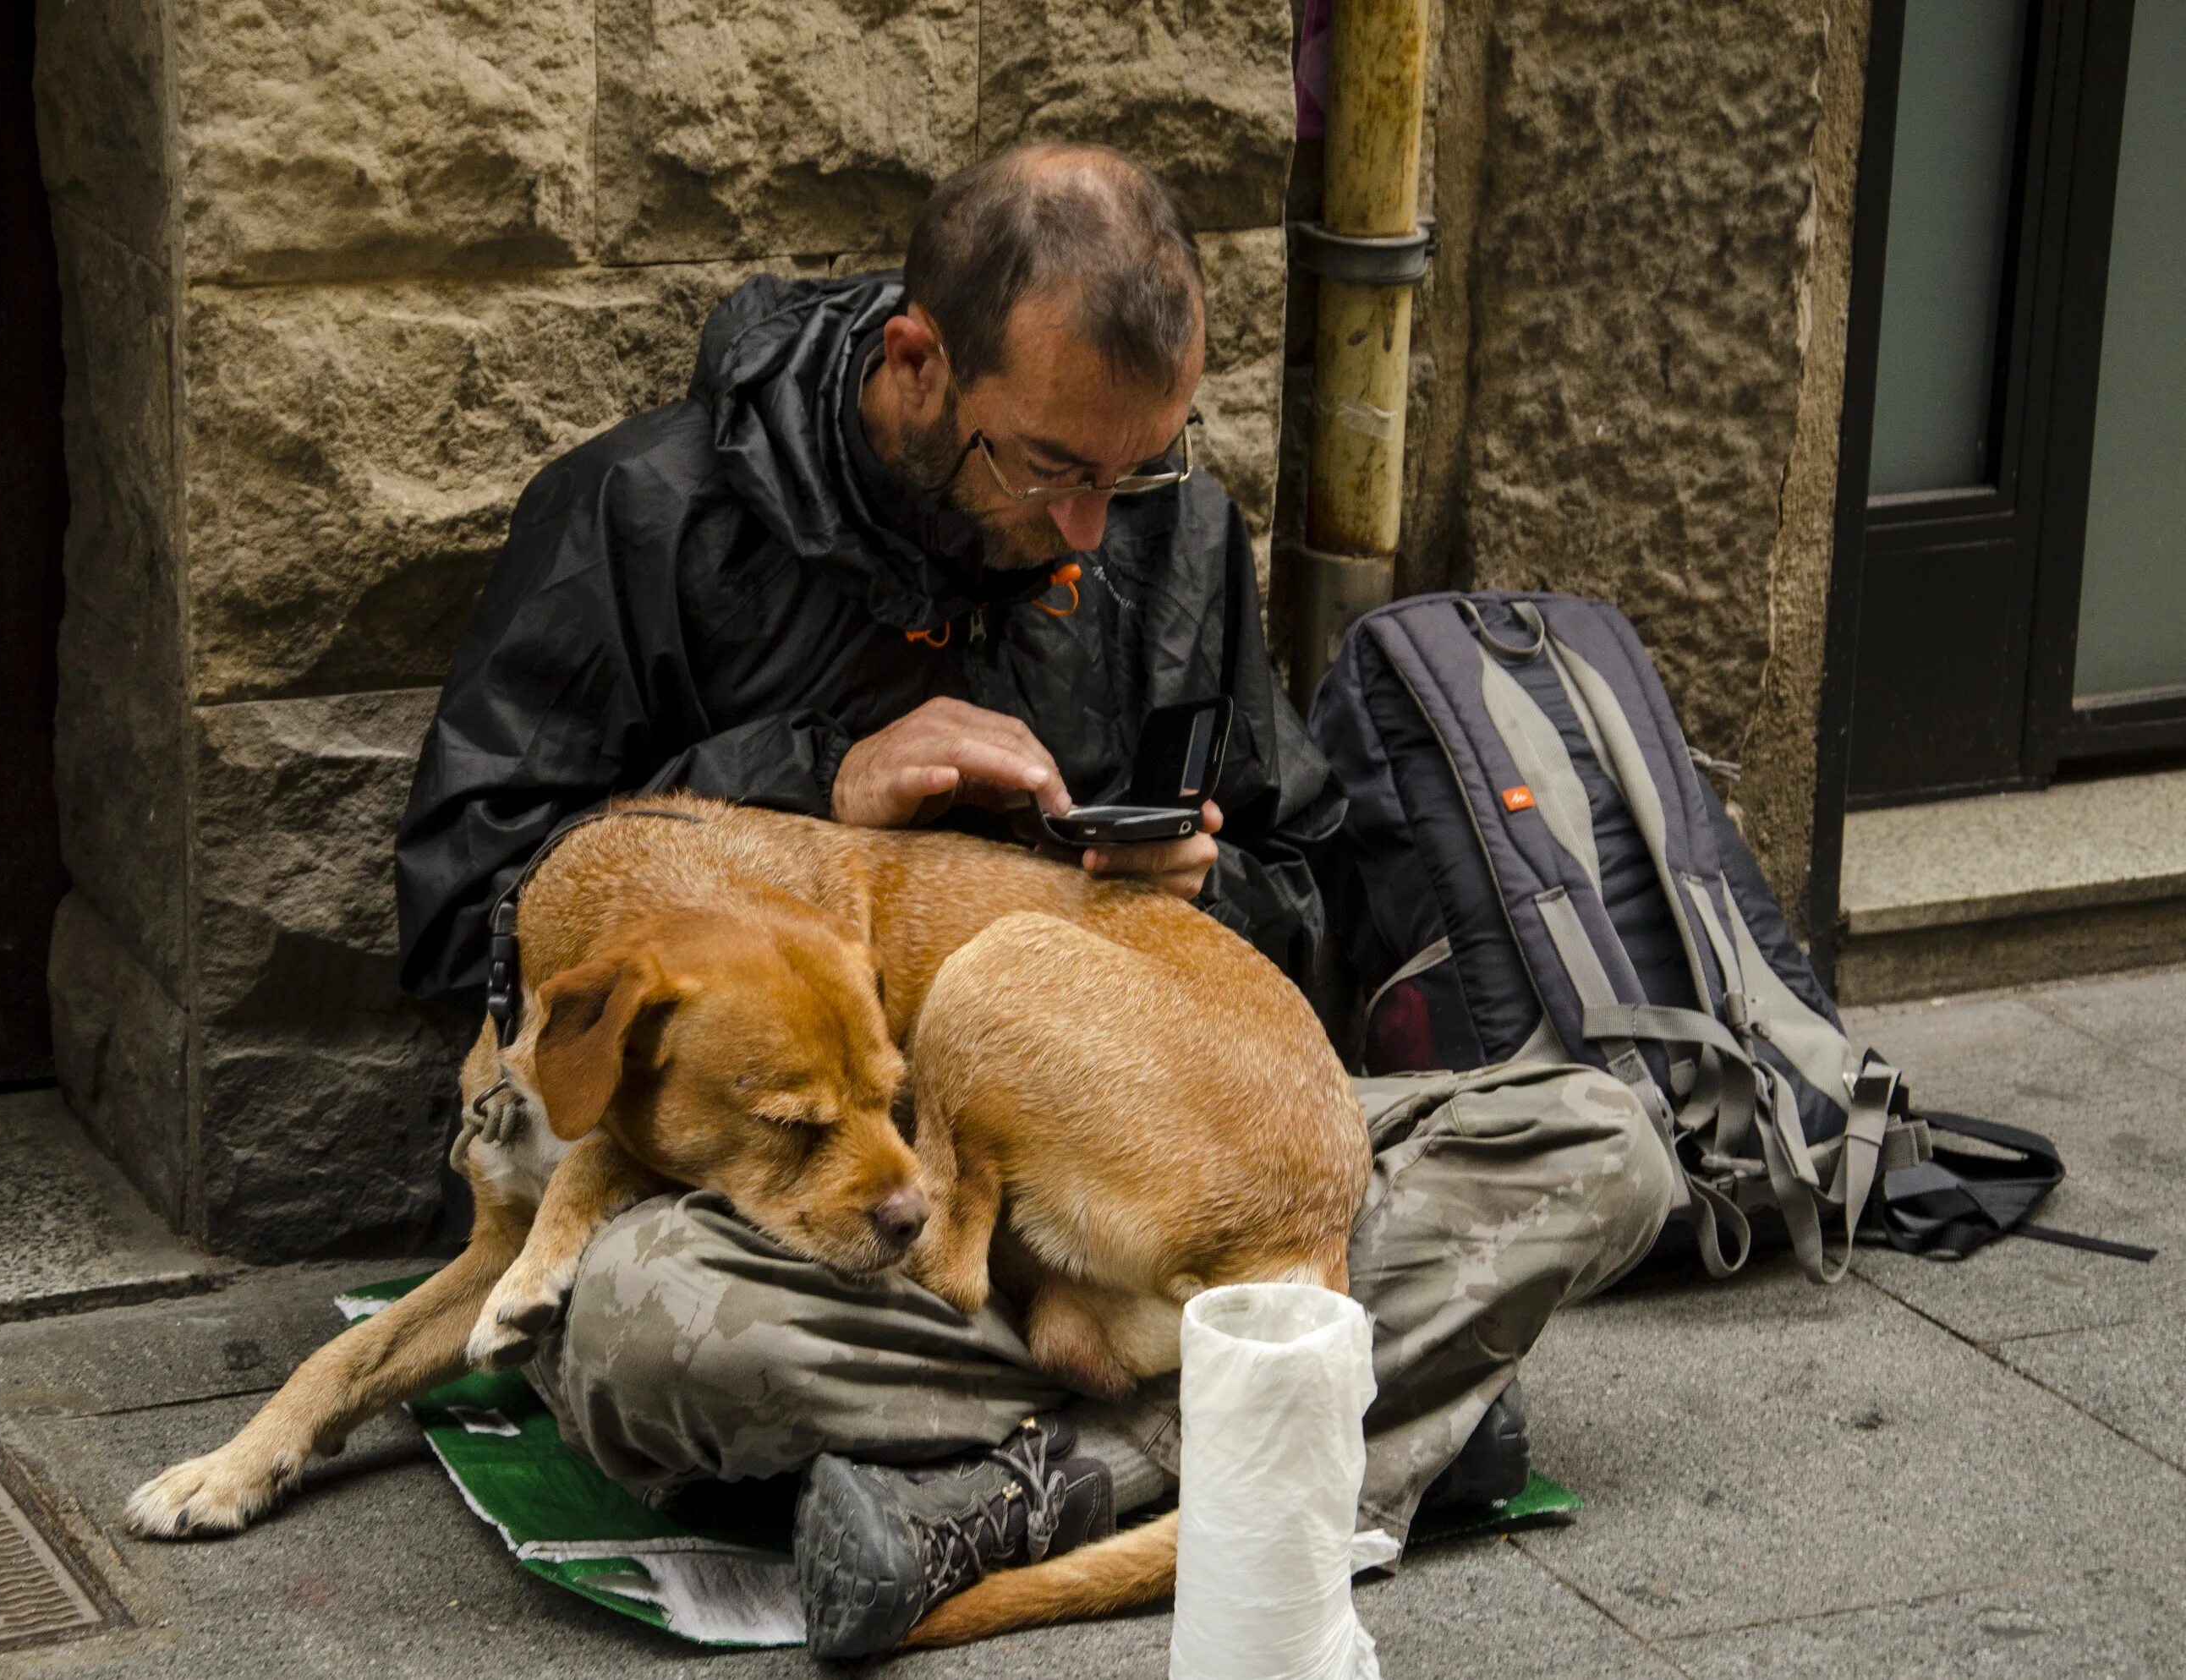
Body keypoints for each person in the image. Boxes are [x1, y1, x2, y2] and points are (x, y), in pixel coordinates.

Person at [395, 142, 1672, 1656]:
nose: (1093, 526)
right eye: (1055, 468)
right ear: (919, 363)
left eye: (1136, 472)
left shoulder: (1171, 532)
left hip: (1115, 1174)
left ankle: (1051, 1484)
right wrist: (813, 780)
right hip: (846, 1226)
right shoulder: (644, 513)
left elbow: (1312, 891)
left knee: (1611, 1144)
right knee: (647, 1340)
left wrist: (1215, 885)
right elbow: (467, 906)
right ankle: (1334, 1419)